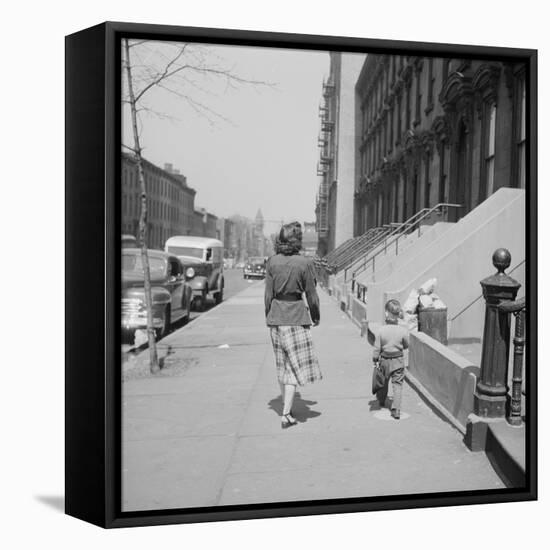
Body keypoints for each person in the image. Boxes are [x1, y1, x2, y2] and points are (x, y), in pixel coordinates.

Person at [264, 221, 322, 429]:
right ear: (297, 241)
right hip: (296, 316)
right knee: (292, 368)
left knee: (282, 366)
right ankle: (286, 414)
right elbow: (311, 295)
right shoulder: (304, 263)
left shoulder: (272, 262)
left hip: (276, 317)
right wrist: (315, 316)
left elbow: (268, 294)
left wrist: (268, 315)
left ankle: (285, 407)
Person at [372, 299, 409, 420]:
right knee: (397, 385)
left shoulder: (381, 330)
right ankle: (396, 409)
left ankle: (382, 401)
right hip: (398, 360)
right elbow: (407, 344)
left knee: (383, 382)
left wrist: (375, 358)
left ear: (387, 313)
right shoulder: (403, 331)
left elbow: (377, 348)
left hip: (385, 360)